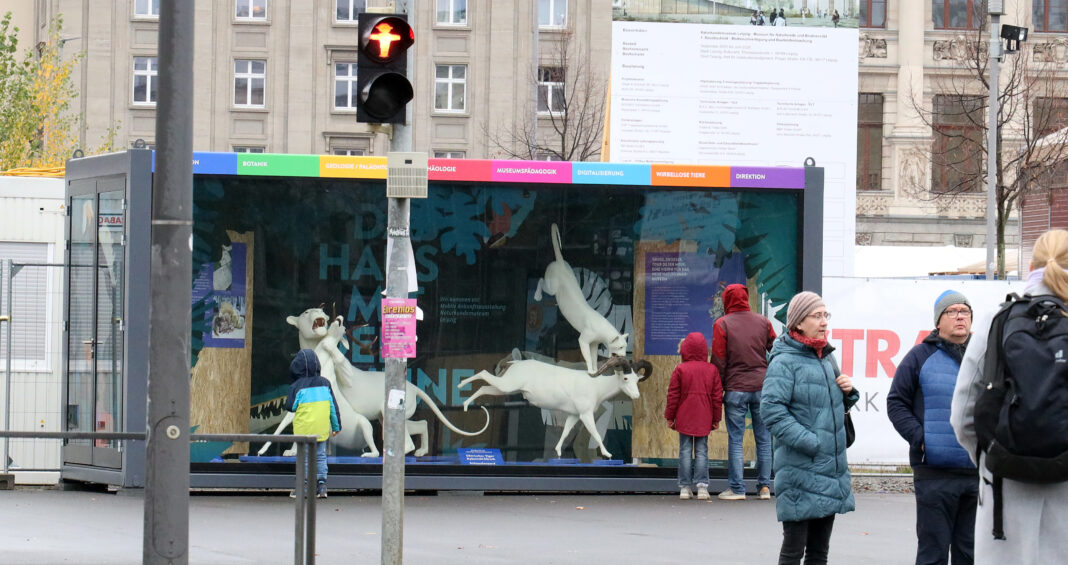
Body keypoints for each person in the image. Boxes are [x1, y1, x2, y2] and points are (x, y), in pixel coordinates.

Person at [951, 229, 1068, 564]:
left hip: (1004, 490)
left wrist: (992, 460)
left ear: (1031, 265)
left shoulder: (997, 319)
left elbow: (962, 416)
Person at [762, 291, 858, 565]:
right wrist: (810, 442)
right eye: (817, 316)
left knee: (819, 553)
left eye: (825, 315)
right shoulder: (784, 361)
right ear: (798, 323)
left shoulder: (826, 357)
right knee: (793, 551)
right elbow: (771, 411)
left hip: (828, 469)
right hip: (800, 469)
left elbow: (831, 405)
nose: (824, 322)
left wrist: (848, 392)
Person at [888, 290, 977, 565]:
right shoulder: (919, 357)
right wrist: (920, 438)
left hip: (977, 473)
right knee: (932, 554)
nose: (960, 316)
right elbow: (896, 403)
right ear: (939, 320)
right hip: (934, 474)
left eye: (965, 311)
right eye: (952, 311)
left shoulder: (984, 356)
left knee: (971, 554)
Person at [710, 284, 776, 501]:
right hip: (762, 387)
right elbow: (775, 350)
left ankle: (737, 489)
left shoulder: (722, 324)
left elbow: (719, 359)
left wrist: (716, 388)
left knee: (736, 439)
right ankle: (765, 487)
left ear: (728, 300)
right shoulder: (763, 322)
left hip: (736, 388)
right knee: (764, 439)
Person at [665, 332, 723, 500]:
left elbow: (673, 395)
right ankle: (702, 488)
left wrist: (670, 416)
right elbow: (716, 397)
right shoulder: (712, 370)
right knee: (702, 451)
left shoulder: (680, 369)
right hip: (704, 416)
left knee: (684, 450)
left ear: (685, 349)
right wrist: (716, 419)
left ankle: (684, 487)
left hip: (684, 416)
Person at [285, 348, 342, 499]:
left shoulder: (297, 386)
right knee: (320, 457)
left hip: (303, 430)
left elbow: (290, 406)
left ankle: (302, 487)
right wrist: (336, 427)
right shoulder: (325, 383)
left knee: (303, 458)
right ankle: (322, 486)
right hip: (321, 430)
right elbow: (333, 407)